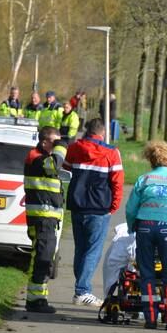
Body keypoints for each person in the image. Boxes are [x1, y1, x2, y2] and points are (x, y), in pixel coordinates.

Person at [125, 140, 167, 330]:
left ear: (151, 161)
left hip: (144, 226)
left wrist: (132, 227)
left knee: (147, 274)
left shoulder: (143, 179)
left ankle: (151, 319)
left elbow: (131, 208)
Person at [64, 117, 124, 306]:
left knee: (81, 249)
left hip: (77, 205)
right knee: (93, 250)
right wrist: (114, 205)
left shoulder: (74, 148)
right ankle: (82, 290)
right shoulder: (112, 153)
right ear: (103, 133)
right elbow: (117, 182)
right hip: (99, 208)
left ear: (86, 130)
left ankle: (81, 288)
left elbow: (65, 170)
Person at [22, 127, 68, 314]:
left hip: (48, 219)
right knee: (41, 257)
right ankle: (35, 300)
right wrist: (62, 147)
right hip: (41, 218)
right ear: (43, 142)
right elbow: (53, 166)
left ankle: (39, 298)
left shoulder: (44, 158)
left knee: (45, 258)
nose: (58, 146)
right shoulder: (36, 157)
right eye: (54, 142)